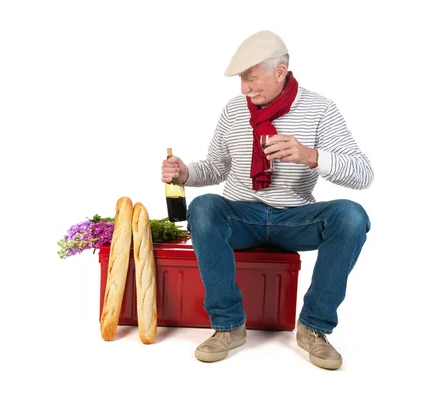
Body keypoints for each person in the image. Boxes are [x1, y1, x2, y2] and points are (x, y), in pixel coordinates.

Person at [160, 30, 373, 370]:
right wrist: (186, 173)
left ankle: (314, 328)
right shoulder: (233, 111)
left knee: (351, 216)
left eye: (251, 78)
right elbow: (216, 167)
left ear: (280, 72)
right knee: (204, 207)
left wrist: (311, 156)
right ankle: (228, 325)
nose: (244, 88)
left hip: (295, 220)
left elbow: (363, 174)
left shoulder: (320, 109)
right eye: (242, 80)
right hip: (241, 216)